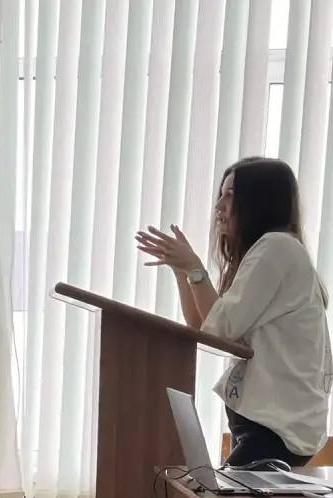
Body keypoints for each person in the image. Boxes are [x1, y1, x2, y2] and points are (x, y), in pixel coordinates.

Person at [137, 157, 332, 467]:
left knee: (209, 495)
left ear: (258, 202)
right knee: (205, 492)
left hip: (276, 431)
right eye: (221, 194)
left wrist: (195, 268)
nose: (219, 206)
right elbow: (203, 326)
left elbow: (220, 328)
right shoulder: (271, 250)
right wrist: (182, 271)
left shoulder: (277, 248)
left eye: (230, 195)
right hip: (269, 428)